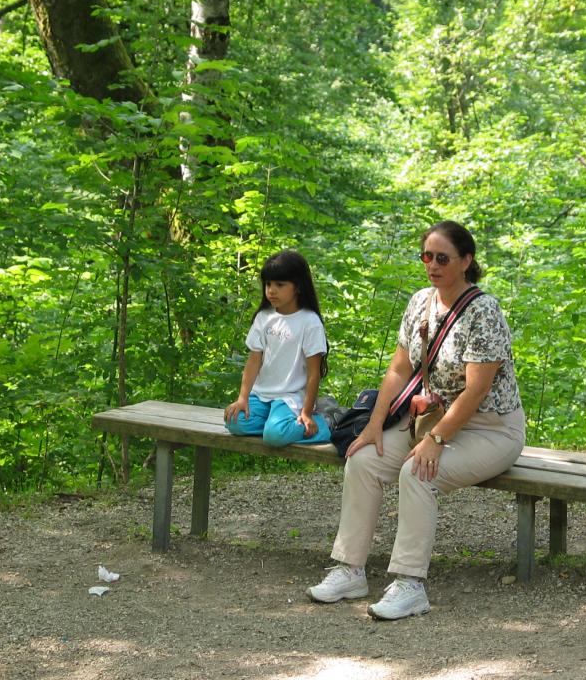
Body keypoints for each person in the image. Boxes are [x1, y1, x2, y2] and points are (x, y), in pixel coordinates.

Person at [306, 221, 525, 619]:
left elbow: (476, 391)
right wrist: (374, 425)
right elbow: (398, 370)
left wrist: (436, 441)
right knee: (363, 460)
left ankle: (409, 585)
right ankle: (350, 569)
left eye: (443, 258)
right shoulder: (420, 302)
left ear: (466, 261)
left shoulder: (485, 312)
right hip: (431, 422)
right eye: (427, 256)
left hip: (491, 429)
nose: (433, 265)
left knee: (417, 472)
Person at [224, 250, 332, 447]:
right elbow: (253, 361)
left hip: (291, 398)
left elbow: (313, 373)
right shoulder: (264, 317)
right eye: (268, 284)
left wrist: (306, 412)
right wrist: (242, 398)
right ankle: (275, 424)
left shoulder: (310, 322)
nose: (271, 290)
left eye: (280, 285)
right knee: (234, 423)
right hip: (262, 395)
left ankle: (325, 424)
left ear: (298, 286)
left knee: (275, 436)